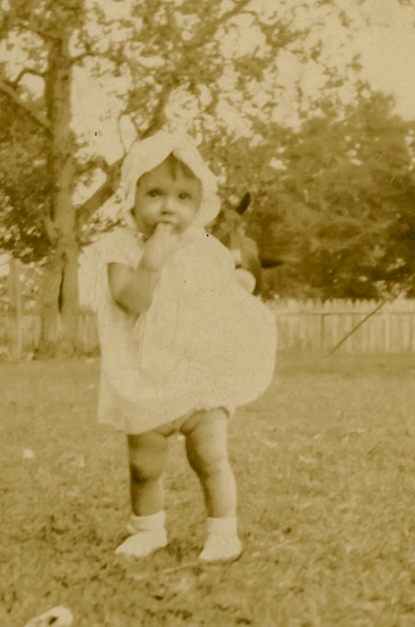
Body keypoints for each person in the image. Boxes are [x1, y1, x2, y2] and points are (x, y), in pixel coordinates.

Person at [93, 128, 277, 563]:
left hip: (199, 373)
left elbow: (221, 297)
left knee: (209, 456)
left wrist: (239, 285)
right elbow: (131, 300)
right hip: (145, 374)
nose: (168, 207)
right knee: (144, 465)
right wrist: (153, 260)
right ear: (131, 197)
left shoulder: (205, 248)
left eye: (182, 197)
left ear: (198, 206)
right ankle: (148, 529)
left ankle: (223, 532)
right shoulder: (119, 248)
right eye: (155, 194)